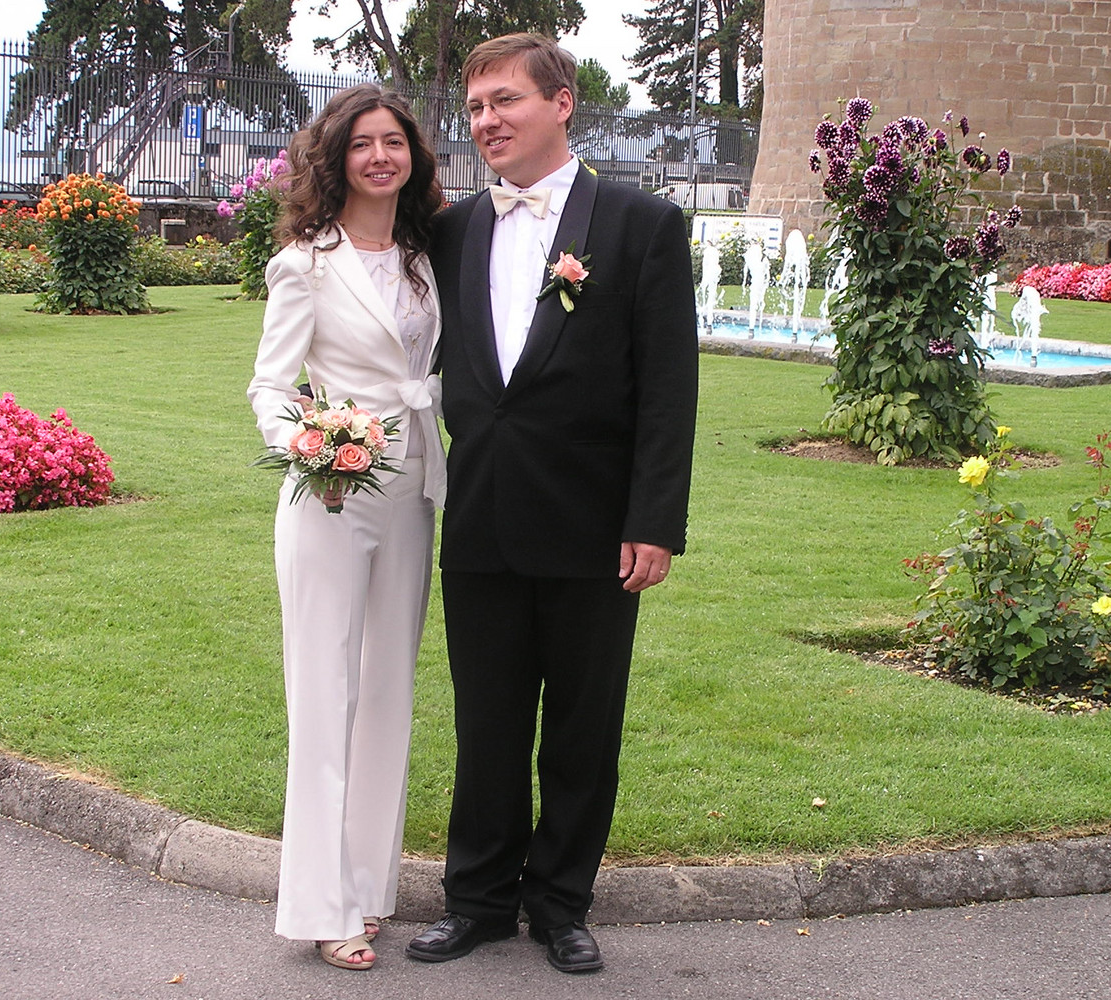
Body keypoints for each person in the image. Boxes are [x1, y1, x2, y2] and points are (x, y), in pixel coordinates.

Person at [405, 33, 698, 974]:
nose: (486, 120)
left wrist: (653, 520)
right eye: (475, 107)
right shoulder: (452, 231)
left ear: (562, 103)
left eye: (506, 100)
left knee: (581, 727)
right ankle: (478, 900)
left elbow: (668, 389)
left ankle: (562, 902)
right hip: (480, 517)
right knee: (485, 725)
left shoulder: (641, 224)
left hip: (593, 526)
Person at [247, 83, 445, 971]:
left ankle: (366, 885)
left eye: (392, 142)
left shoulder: (423, 255)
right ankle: (322, 905)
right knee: (325, 692)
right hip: (330, 494)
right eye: (361, 143)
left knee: (388, 690)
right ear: (336, 159)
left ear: (412, 156)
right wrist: (308, 445)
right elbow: (270, 384)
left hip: (413, 492)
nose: (378, 156)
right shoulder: (305, 264)